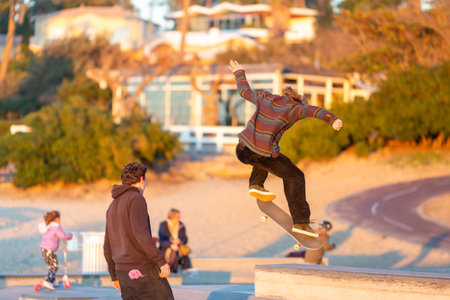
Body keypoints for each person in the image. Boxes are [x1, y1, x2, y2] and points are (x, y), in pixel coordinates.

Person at [229, 60, 343, 237]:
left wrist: (239, 73)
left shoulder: (265, 97)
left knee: (265, 155)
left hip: (242, 150)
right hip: (261, 154)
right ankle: (301, 223)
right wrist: (333, 119)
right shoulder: (295, 109)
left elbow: (244, 92)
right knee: (295, 176)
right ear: (298, 102)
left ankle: (256, 184)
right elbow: (314, 111)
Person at [103, 162, 174, 300]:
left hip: (122, 271)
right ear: (142, 179)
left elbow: (107, 245)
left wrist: (114, 274)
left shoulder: (112, 206)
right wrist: (161, 260)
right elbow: (141, 235)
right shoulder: (136, 199)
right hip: (141, 268)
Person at [38, 210, 73, 290]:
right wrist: (69, 235)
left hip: (43, 249)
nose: (60, 220)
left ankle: (52, 280)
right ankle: (48, 281)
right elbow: (62, 236)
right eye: (59, 218)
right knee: (54, 265)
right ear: (56, 219)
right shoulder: (56, 227)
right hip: (49, 250)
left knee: (51, 265)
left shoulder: (49, 226)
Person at [158, 208, 192, 273]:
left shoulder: (181, 225)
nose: (179, 218)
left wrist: (180, 241)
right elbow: (161, 240)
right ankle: (171, 269)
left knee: (175, 250)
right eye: (178, 217)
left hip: (179, 250)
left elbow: (185, 239)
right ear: (172, 217)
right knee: (174, 249)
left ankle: (171, 270)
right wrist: (171, 245)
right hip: (166, 249)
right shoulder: (163, 225)